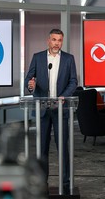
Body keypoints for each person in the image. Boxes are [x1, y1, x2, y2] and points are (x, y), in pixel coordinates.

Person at [24, 28, 78, 194]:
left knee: (63, 148)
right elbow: (29, 79)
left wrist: (63, 96)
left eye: (59, 40)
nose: (56, 43)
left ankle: (66, 183)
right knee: (42, 150)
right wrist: (30, 85)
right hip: (42, 110)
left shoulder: (69, 59)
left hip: (61, 108)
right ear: (48, 41)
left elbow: (73, 81)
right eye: (54, 40)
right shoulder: (38, 57)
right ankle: (41, 182)